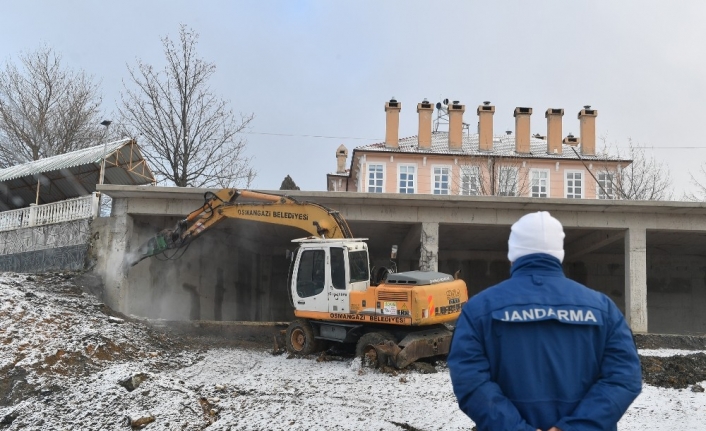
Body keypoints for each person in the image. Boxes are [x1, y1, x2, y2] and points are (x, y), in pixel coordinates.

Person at [448, 211, 642, 431]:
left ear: (513, 256)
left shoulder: (478, 309)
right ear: (558, 254)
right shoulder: (603, 308)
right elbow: (624, 379)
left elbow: (471, 382)